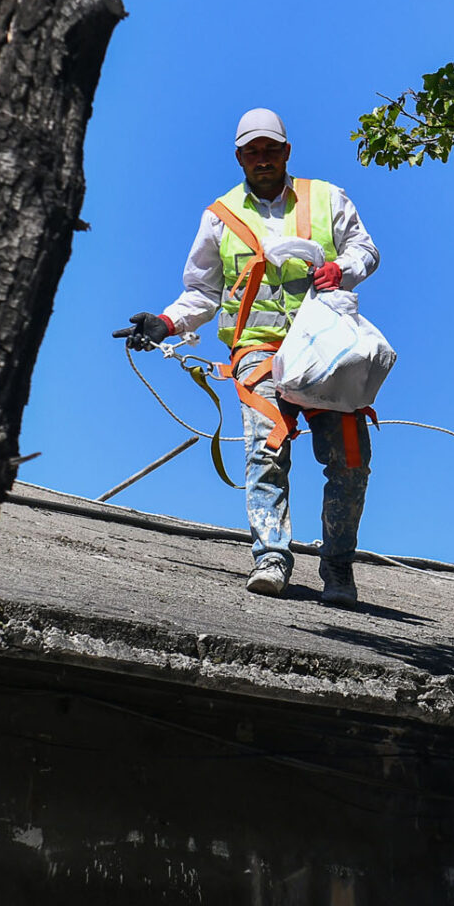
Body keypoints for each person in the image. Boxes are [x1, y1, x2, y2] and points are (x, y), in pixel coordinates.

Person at [116, 109, 381, 604]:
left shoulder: (328, 198)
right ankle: (272, 559)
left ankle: (338, 566)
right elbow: (202, 292)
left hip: (326, 346)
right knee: (266, 449)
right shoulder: (220, 217)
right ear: (239, 157)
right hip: (260, 349)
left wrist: (341, 269)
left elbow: (364, 249)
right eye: (252, 152)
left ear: (287, 152)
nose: (262, 159)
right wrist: (167, 323)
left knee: (350, 459)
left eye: (271, 150)